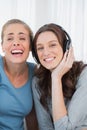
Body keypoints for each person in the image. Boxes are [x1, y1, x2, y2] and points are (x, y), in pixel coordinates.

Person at [31, 23, 87, 130]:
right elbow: (45, 128)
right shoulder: (37, 82)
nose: (46, 52)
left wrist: (56, 77)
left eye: (52, 45)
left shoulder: (84, 74)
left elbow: (64, 128)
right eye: (40, 48)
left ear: (66, 47)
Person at [0, 19, 35, 130]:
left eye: (22, 38)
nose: (16, 42)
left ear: (30, 46)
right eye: (10, 38)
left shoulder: (36, 72)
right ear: (2, 46)